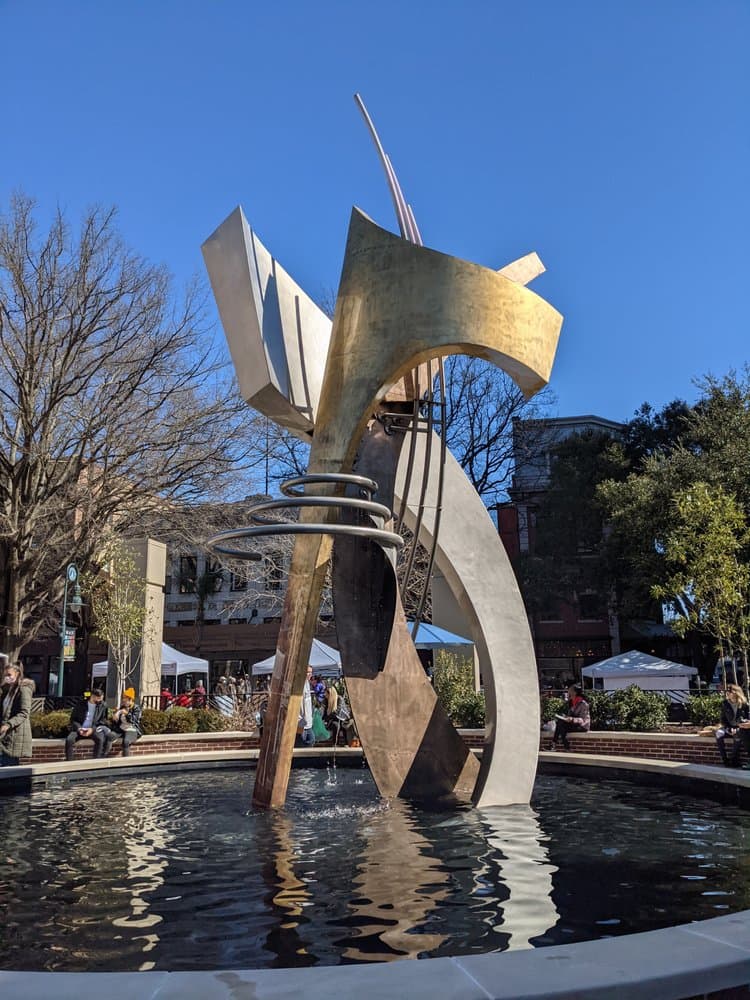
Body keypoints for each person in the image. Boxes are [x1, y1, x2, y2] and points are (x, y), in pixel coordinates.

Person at [0, 661, 34, 766]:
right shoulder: (7, 690)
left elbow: (24, 712)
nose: (7, 677)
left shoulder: (24, 688)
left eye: (9, 675)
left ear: (17, 674)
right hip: (5, 733)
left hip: (14, 733)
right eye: (5, 675)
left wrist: (8, 724)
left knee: (9, 765)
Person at [65, 688, 110, 760]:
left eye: (102, 699)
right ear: (92, 696)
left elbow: (103, 720)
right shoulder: (80, 704)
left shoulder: (103, 705)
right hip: (80, 728)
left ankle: (96, 761)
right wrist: (79, 728)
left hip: (93, 729)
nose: (101, 701)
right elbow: (73, 719)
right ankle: (69, 761)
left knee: (100, 739)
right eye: (99, 699)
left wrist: (92, 729)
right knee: (69, 740)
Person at [715, 684, 750, 768]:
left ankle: (733, 760)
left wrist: (739, 727)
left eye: (729, 691)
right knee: (718, 733)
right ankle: (725, 760)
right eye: (727, 691)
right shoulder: (725, 703)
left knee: (737, 735)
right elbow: (723, 719)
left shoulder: (744, 704)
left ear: (735, 692)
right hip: (728, 727)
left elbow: (748, 719)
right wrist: (728, 728)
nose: (727, 693)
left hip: (740, 727)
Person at [553, 683, 590, 751]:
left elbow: (583, 719)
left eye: (570, 690)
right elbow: (570, 715)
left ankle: (555, 745)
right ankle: (564, 746)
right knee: (560, 723)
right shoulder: (571, 702)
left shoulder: (583, 704)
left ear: (575, 693)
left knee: (560, 725)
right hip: (573, 724)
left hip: (582, 726)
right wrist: (565, 717)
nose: (568, 692)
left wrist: (572, 719)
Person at [106, 690, 143, 757]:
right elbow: (118, 721)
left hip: (132, 728)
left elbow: (134, 720)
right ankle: (105, 756)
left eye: (125, 700)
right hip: (121, 728)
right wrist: (115, 718)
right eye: (123, 699)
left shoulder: (136, 708)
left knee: (126, 742)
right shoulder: (122, 707)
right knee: (109, 736)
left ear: (130, 700)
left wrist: (126, 713)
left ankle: (125, 759)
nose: (123, 701)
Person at [299, 665, 315, 746]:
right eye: (307, 672)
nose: (310, 674)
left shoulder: (307, 683)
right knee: (301, 745)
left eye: (311, 672)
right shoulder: (299, 685)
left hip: (308, 723)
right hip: (300, 723)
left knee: (311, 741)